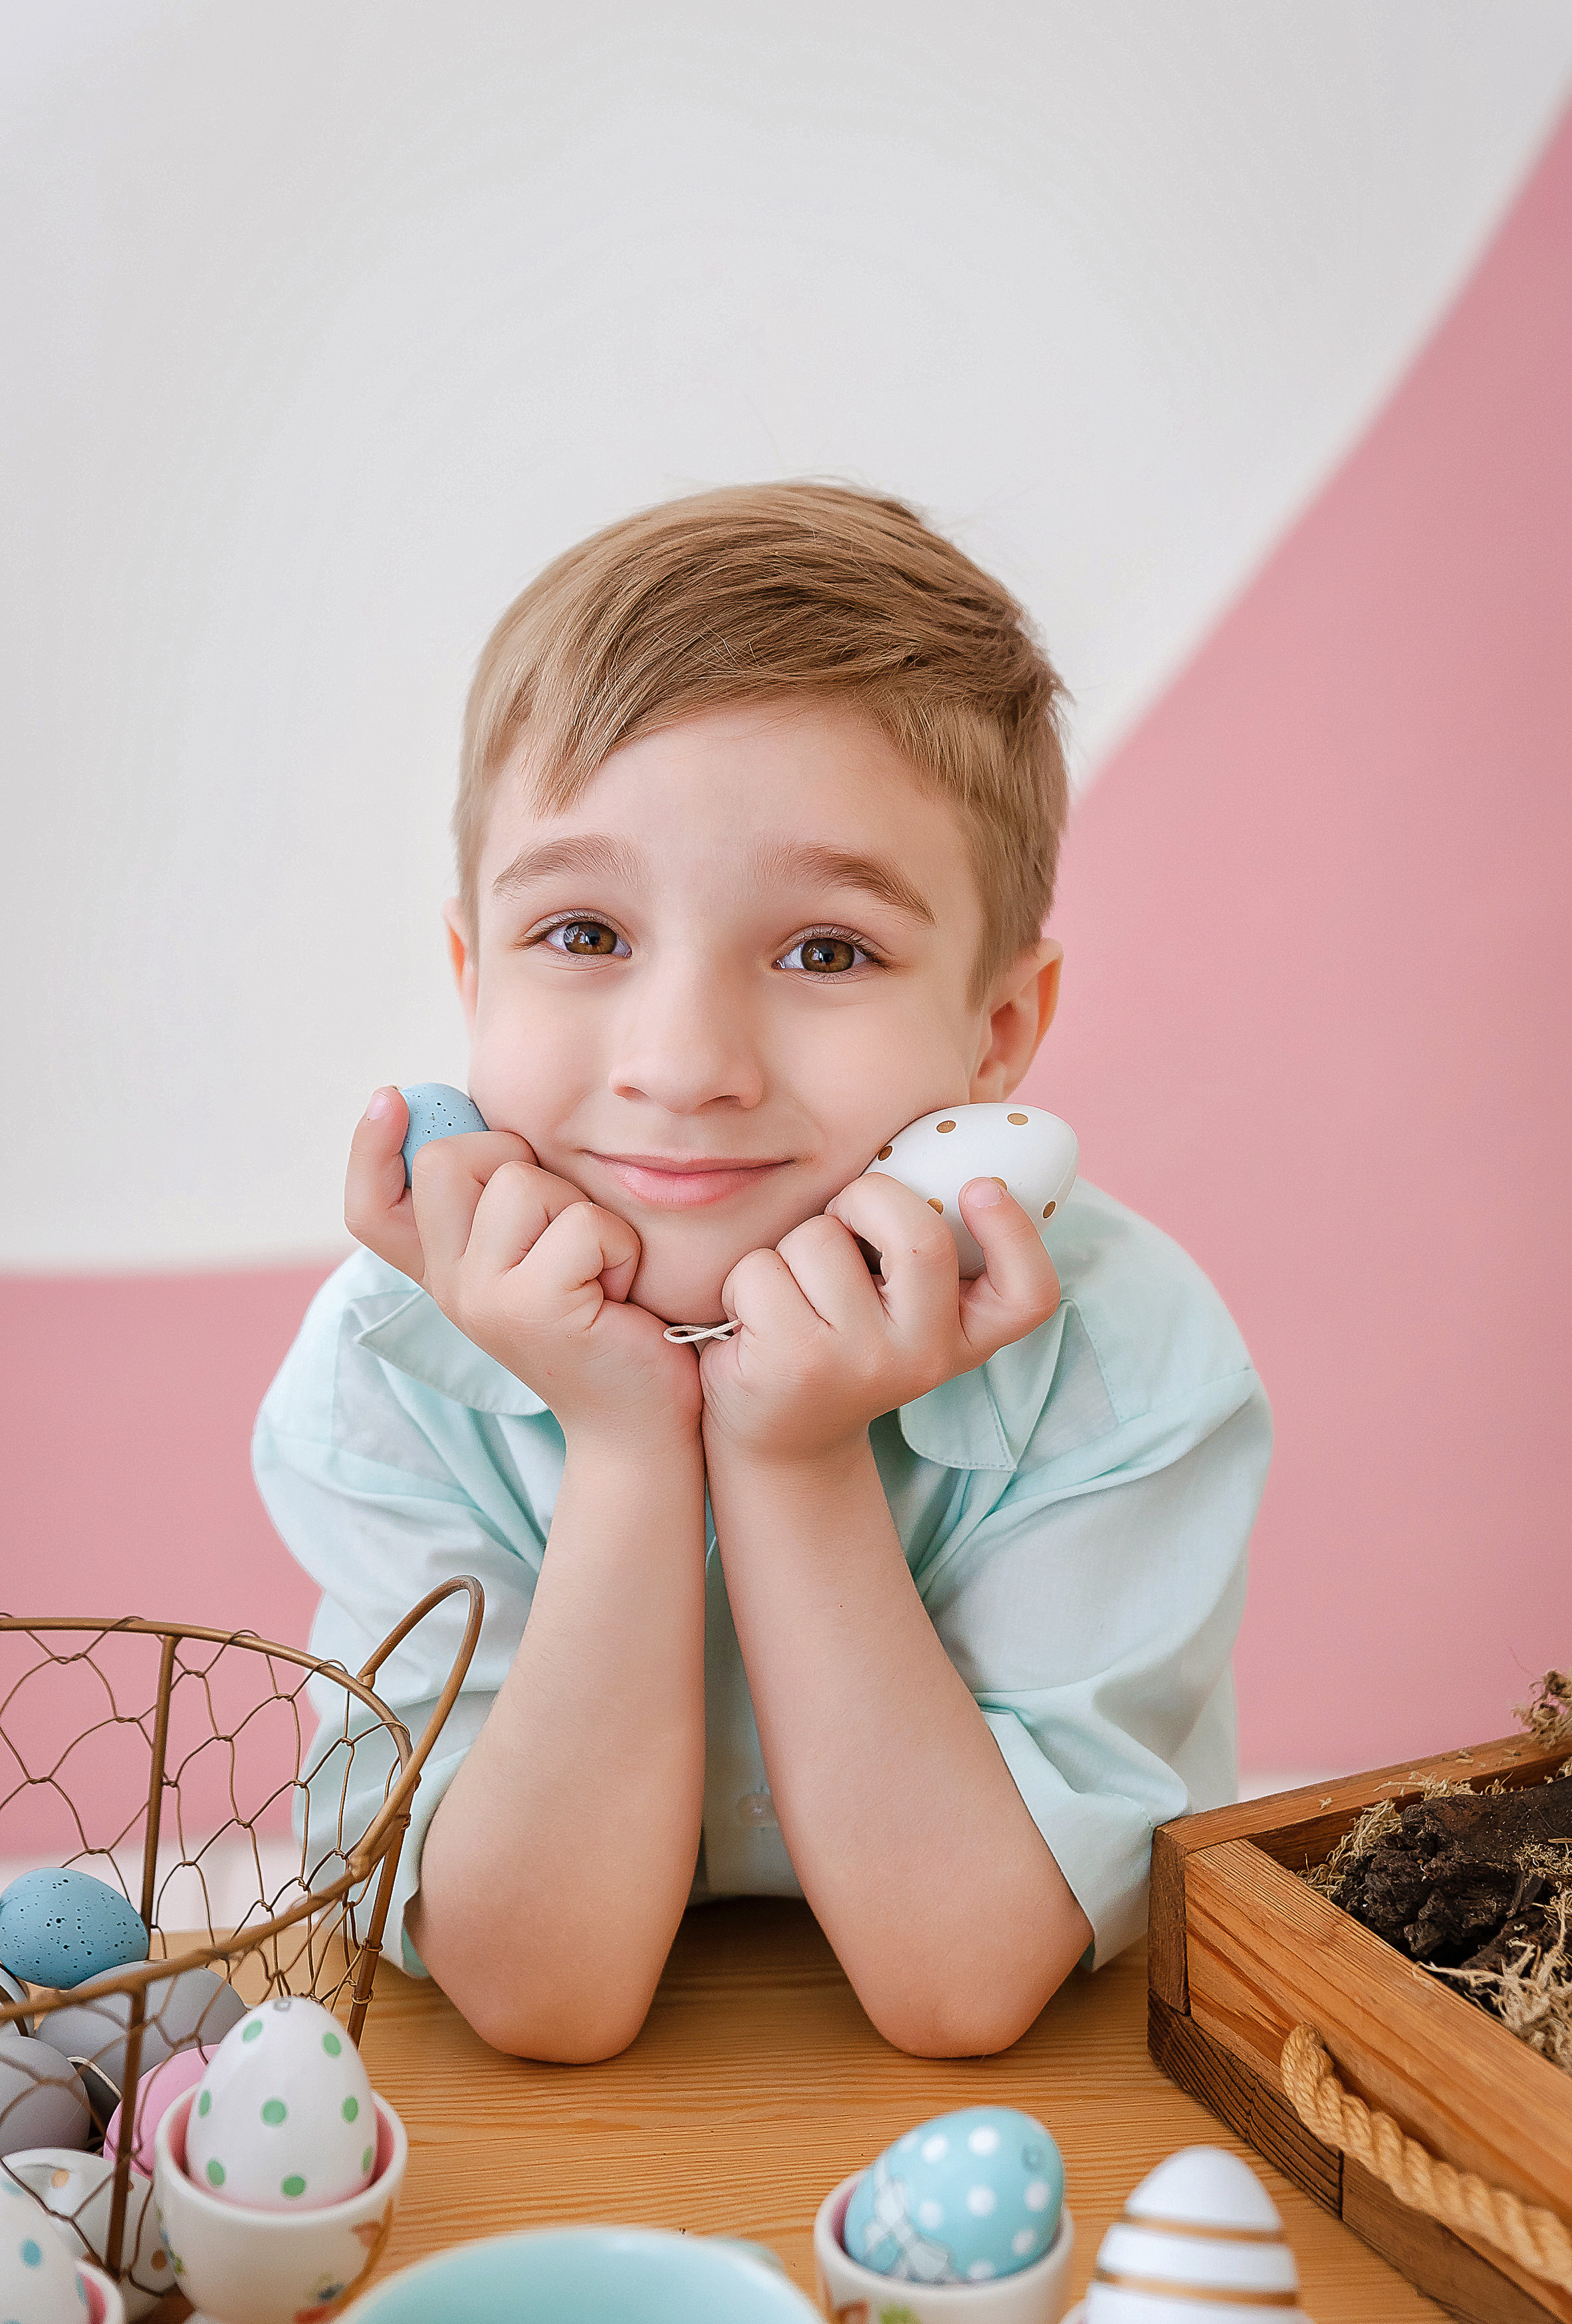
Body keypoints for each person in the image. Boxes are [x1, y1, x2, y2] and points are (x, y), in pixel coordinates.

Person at [253, 484, 1271, 2063]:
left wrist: (788, 1458)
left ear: (995, 1034)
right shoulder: (389, 1365)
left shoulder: (1127, 1362)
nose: (682, 1063)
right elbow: (540, 1994)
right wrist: (622, 1438)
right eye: (583, 930)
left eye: (824, 952)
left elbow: (962, 1980)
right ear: (472, 973)